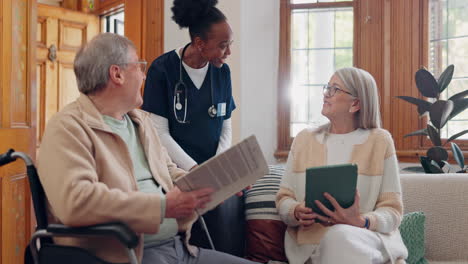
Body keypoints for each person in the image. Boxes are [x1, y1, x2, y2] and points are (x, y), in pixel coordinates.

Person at [37, 33, 258, 264]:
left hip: (179, 248)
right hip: (126, 256)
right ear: (117, 74)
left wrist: (214, 184)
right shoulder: (67, 127)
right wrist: (163, 206)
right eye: (139, 66)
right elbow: (77, 202)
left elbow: (170, 172)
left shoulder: (141, 123)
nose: (144, 75)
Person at [141, 0, 244, 257]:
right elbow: (159, 133)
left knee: (230, 209)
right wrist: (196, 170)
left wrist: (217, 167)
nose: (228, 52)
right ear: (199, 43)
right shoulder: (162, 70)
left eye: (229, 44)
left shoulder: (222, 73)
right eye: (223, 45)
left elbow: (225, 125)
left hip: (213, 171)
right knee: (196, 226)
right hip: (177, 172)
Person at [276, 67, 408, 264]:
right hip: (312, 248)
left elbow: (393, 212)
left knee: (340, 236)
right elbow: (283, 199)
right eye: (327, 87)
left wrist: (362, 221)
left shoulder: (380, 141)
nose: (326, 94)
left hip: (364, 240)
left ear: (355, 103)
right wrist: (296, 211)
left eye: (334, 89)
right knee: (336, 239)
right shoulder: (304, 140)